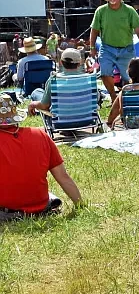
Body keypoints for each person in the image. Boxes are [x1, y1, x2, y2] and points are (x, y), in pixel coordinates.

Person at [0, 93, 83, 221]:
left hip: (7, 212)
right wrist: (81, 204)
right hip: (41, 207)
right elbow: (62, 176)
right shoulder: (40, 135)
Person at [89, 0, 139, 102]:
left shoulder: (129, 11)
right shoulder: (100, 11)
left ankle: (126, 98)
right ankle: (113, 96)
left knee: (129, 76)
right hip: (107, 48)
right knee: (105, 72)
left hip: (127, 48)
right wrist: (92, 47)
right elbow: (94, 30)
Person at [27, 49, 84, 114]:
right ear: (79, 63)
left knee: (36, 92)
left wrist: (32, 104)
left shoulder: (54, 79)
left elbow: (44, 106)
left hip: (61, 121)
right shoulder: (88, 79)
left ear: (61, 62)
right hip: (87, 119)